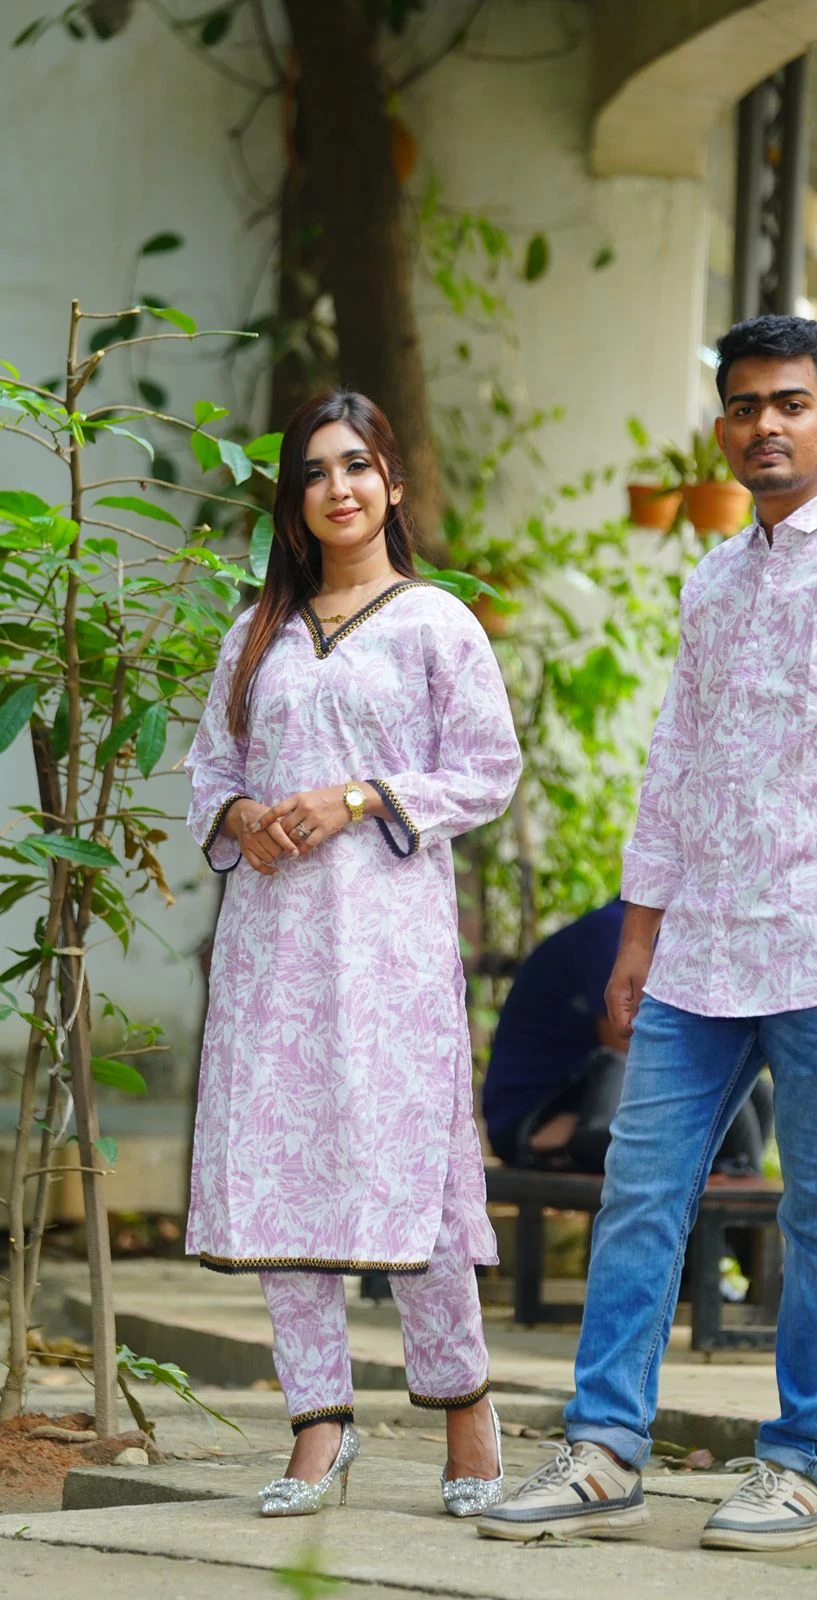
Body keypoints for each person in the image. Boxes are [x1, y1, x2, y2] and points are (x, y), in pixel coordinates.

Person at [478, 315, 817, 1551]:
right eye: (745, 405)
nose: (766, 425)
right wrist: (637, 936)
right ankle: (605, 1450)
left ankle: (795, 1463)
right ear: (723, 428)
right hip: (699, 955)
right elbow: (676, 767)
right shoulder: (712, 578)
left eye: (790, 403)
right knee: (640, 1196)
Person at [184, 390, 522, 1519]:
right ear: (294, 500)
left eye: (357, 466)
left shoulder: (436, 623)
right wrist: (241, 816)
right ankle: (317, 1426)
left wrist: (360, 795)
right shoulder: (256, 633)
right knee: (280, 1167)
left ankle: (464, 1407)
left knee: (412, 1166)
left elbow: (487, 770)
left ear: (392, 483)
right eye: (315, 472)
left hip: (388, 947)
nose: (338, 488)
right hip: (272, 945)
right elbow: (210, 771)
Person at [482, 897, 771, 1179]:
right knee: (683, 1076)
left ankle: (737, 1188)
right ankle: (581, 1141)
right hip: (529, 1118)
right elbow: (629, 1047)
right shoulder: (614, 935)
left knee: (755, 1092)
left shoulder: (668, 942)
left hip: (587, 1096)